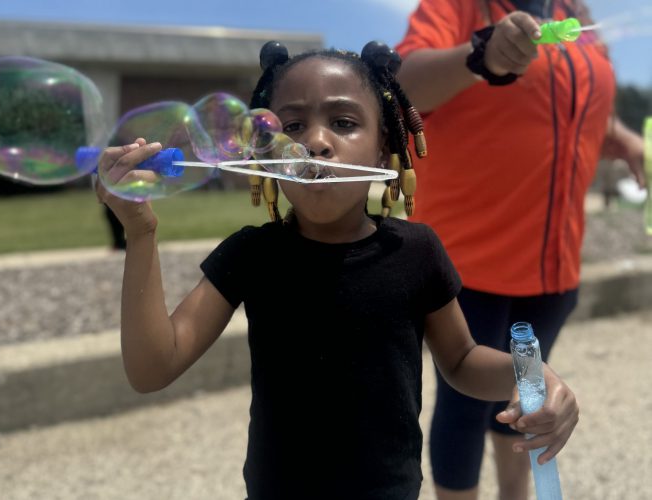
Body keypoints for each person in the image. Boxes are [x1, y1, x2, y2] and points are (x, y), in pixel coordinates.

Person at [95, 40, 579, 500]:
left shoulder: (415, 251)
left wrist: (530, 374)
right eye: (292, 126)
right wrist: (140, 233)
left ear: (383, 147)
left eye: (343, 123)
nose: (316, 143)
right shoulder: (252, 255)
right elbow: (153, 368)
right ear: (263, 155)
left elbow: (461, 360)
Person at [394, 1, 645, 499]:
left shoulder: (573, 12)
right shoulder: (457, 7)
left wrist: (621, 139)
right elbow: (402, 87)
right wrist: (480, 54)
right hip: (469, 262)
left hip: (551, 264)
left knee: (525, 395)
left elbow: (575, 110)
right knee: (465, 405)